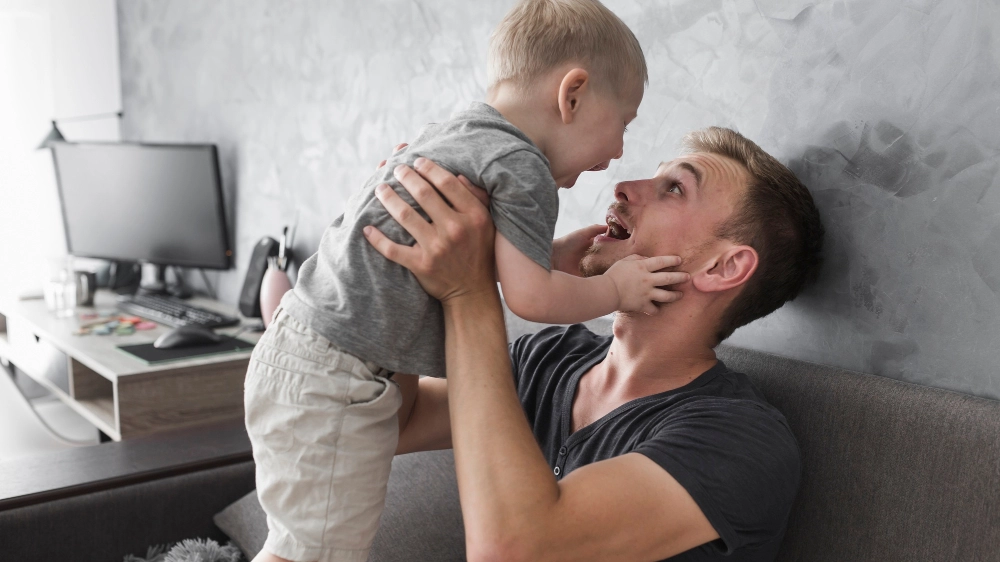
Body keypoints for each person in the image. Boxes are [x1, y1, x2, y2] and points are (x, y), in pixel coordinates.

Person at [245, 2, 675, 561]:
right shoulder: (524, 167)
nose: (618, 152)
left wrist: (546, 256)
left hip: (305, 349)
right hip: (337, 373)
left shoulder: (459, 134)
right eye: (624, 123)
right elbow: (529, 296)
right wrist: (615, 289)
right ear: (572, 95)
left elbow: (495, 262)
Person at [364, 126, 825, 561]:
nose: (624, 186)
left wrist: (469, 288)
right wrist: (404, 264)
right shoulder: (548, 358)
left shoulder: (742, 442)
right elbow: (394, 424)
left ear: (723, 268)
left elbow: (513, 549)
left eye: (675, 189)